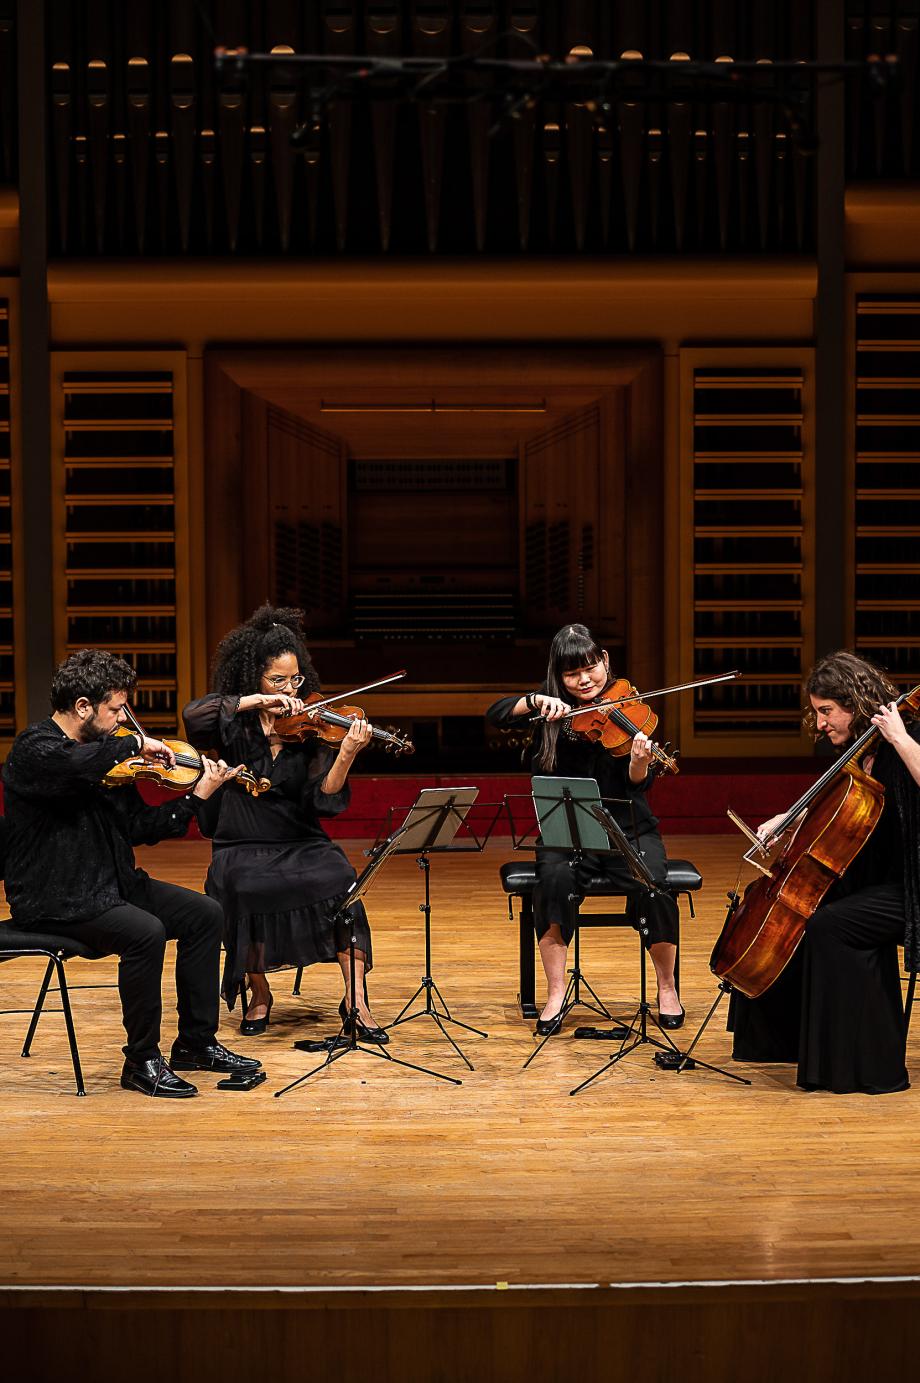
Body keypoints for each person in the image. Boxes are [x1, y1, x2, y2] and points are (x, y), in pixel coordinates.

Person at [2, 649, 261, 1098]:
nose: (125, 718)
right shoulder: (35, 749)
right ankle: (141, 1060)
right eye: (116, 708)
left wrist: (198, 795)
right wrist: (136, 743)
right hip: (56, 897)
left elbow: (141, 827)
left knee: (204, 914)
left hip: (113, 885)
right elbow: (75, 765)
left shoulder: (109, 763)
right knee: (146, 932)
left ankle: (195, 1044)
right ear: (83, 706)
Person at [182, 605, 386, 1042]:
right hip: (241, 840)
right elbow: (192, 714)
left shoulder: (310, 728)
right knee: (241, 884)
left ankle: (357, 999)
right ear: (253, 677)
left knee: (341, 878)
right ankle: (259, 992)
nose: (290, 689)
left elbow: (324, 799)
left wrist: (346, 754)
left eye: (295, 679)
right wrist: (258, 702)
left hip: (300, 838)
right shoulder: (231, 724)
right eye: (277, 680)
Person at [729, 650, 920, 1095]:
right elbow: (836, 815)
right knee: (791, 915)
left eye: (826, 711)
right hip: (876, 881)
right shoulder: (860, 752)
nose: (819, 724)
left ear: (855, 702)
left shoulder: (901, 738)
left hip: (910, 888)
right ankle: (782, 1043)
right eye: (817, 712)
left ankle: (867, 1066)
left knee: (828, 925)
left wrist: (901, 739)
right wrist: (788, 817)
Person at [486, 623, 683, 1035]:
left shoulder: (629, 709)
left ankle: (667, 988)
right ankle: (556, 992)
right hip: (568, 831)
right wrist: (535, 700)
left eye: (591, 668)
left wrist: (639, 762)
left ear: (605, 662)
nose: (585, 680)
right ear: (558, 677)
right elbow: (496, 714)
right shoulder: (550, 713)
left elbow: (637, 786)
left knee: (655, 882)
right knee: (553, 878)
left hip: (629, 828)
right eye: (572, 674)